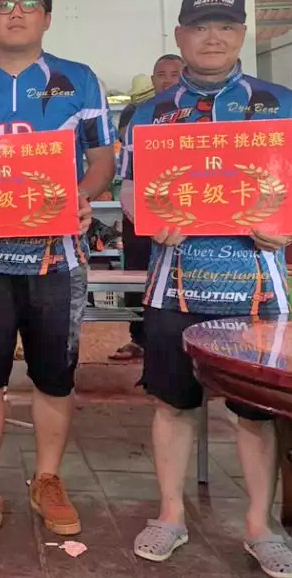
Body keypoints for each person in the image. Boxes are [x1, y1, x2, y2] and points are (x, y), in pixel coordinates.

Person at [122, 0, 292, 577]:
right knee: (172, 402)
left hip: (255, 286)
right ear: (180, 35)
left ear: (242, 34)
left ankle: (260, 526)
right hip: (174, 284)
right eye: (200, 26)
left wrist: (289, 220)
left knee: (256, 412)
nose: (213, 37)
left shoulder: (278, 103)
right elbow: (131, 185)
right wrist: (148, 217)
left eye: (226, 26)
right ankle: (170, 515)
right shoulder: (151, 112)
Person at [0, 0, 115, 550]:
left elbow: (102, 158)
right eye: (4, 5)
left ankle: (47, 480)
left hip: (55, 259)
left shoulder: (79, 81)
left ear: (47, 17)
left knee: (53, 376)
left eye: (29, 4)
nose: (15, 13)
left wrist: (83, 196)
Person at [110, 54, 183, 362]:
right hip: (144, 203)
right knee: (138, 268)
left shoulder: (204, 111)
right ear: (153, 80)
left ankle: (183, 342)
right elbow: (127, 156)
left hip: (186, 204)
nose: (167, 80)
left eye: (174, 73)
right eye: (161, 74)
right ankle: (139, 338)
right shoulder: (139, 112)